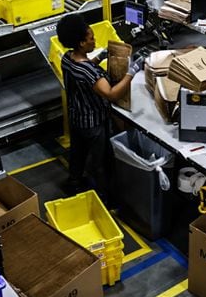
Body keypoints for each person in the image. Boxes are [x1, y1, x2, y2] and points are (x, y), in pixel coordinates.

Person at [57, 14, 143, 196]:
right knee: (101, 162)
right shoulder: (88, 71)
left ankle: (74, 182)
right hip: (93, 124)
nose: (94, 40)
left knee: (77, 154)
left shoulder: (67, 58)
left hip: (77, 118)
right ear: (81, 43)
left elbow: (85, 73)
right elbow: (111, 94)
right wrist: (131, 72)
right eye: (91, 38)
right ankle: (104, 196)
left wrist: (100, 56)